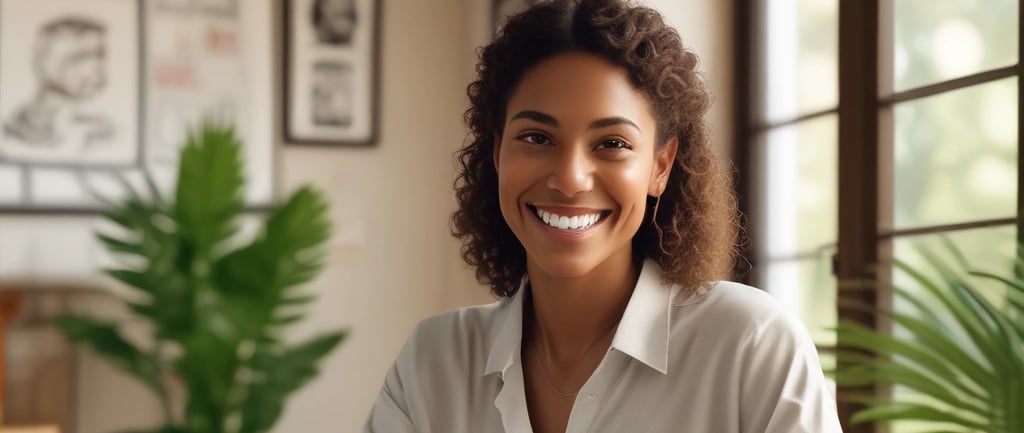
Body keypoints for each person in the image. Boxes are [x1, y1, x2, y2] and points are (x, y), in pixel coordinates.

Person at [363, 1, 844, 432]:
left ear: (660, 166)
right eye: (536, 137)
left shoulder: (750, 345)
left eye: (612, 144)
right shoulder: (432, 362)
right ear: (496, 153)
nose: (570, 179)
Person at [4, 17, 113, 150]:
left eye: (100, 56)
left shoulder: (101, 129)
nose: (96, 67)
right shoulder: (15, 126)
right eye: (81, 57)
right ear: (45, 63)